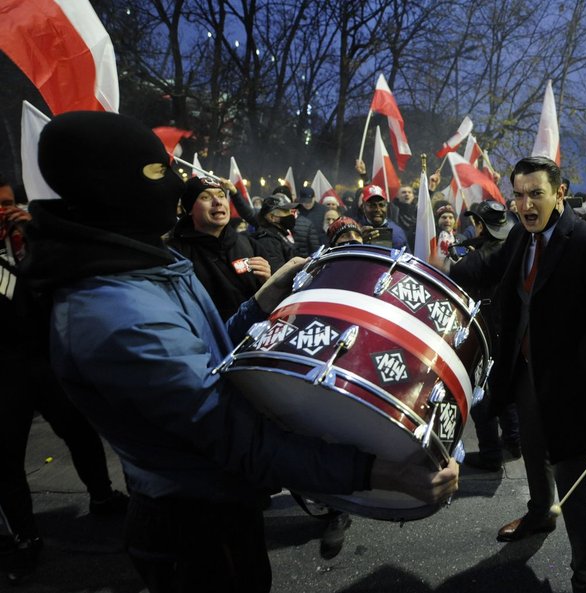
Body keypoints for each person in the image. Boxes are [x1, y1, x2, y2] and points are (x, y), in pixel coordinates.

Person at [23, 111, 458, 593]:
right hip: (193, 528)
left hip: (223, 503)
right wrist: (382, 471)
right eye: (156, 172)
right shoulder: (114, 317)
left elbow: (214, 359)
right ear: (108, 189)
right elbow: (236, 435)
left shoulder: (144, 263)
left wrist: (262, 301)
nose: (177, 185)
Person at [451, 156, 586, 593]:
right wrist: (436, 274)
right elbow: (488, 266)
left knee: (574, 489)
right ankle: (539, 516)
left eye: (535, 193)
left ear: (560, 192)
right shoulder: (521, 233)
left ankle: (585, 577)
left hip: (573, 390)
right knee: (535, 456)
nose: (525, 204)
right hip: (525, 376)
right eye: (517, 194)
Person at [0, 178, 127, 585]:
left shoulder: (31, 242)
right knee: (5, 457)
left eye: (9, 202)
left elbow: (64, 273)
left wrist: (35, 234)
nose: (6, 209)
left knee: (79, 430)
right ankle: (24, 535)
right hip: (3, 372)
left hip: (47, 359)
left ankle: (102, 495)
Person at [450, 200, 520, 472]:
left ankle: (491, 453)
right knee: (506, 389)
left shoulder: (484, 257)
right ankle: (514, 442)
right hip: (508, 330)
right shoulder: (509, 246)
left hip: (489, 331)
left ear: (481, 226)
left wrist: (449, 259)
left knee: (481, 395)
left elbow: (456, 273)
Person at [167, 176, 271, 320]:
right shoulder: (175, 255)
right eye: (205, 197)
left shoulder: (251, 246)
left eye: (221, 196)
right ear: (190, 209)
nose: (217, 202)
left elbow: (271, 302)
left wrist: (268, 282)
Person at [250, 193, 298, 272]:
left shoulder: (280, 232)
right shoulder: (268, 240)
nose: (290, 214)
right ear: (271, 217)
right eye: (285, 211)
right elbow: (278, 273)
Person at [355, 185, 408, 249]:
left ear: (387, 206)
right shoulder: (354, 231)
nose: (378, 209)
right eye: (372, 205)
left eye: (381, 205)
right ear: (363, 207)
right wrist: (358, 242)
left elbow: (407, 257)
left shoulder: (397, 232)